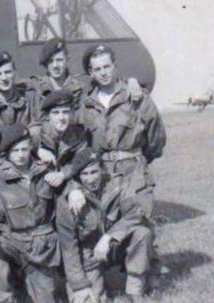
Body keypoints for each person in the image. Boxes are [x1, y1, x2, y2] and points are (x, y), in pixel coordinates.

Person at [71, 44, 166, 222]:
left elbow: (156, 138)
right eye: (98, 69)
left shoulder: (137, 97)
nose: (103, 73)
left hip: (134, 174)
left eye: (107, 67)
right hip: (103, 175)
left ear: (115, 65)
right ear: (91, 72)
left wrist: (137, 159)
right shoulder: (86, 104)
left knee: (139, 227)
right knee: (108, 229)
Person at [0, 124, 61, 303]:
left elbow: (65, 187)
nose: (20, 154)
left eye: (24, 149)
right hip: (11, 241)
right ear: (7, 152)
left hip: (42, 247)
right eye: (15, 150)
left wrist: (72, 189)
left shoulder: (45, 170)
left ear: (31, 148)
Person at [57, 148, 153, 303]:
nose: (91, 179)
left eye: (94, 172)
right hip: (87, 256)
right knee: (88, 299)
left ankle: (135, 291)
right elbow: (69, 248)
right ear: (77, 176)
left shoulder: (117, 185)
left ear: (102, 169)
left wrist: (108, 237)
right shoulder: (67, 201)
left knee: (142, 233)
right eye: (85, 174)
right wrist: (79, 285)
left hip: (112, 246)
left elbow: (136, 212)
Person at [0, 50, 40, 158]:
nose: (4, 78)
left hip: (25, 158)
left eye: (8, 72)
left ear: (15, 72)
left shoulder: (28, 96)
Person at [37, 89, 88, 189]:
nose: (61, 118)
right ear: (47, 116)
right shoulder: (36, 133)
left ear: (72, 113)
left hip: (65, 183)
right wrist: (38, 149)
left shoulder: (78, 135)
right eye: (56, 113)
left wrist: (63, 174)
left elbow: (81, 159)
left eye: (65, 112)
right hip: (39, 185)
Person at [28, 38, 88, 120]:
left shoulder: (79, 89)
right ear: (46, 64)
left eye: (59, 60)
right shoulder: (36, 88)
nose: (55, 66)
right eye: (51, 61)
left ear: (67, 60)